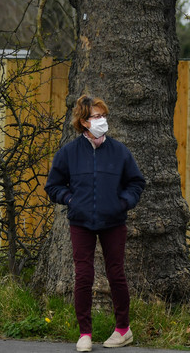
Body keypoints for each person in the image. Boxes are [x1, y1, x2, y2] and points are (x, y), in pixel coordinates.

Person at [45, 94, 145, 352]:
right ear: (83, 121)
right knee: (84, 276)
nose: (102, 120)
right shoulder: (68, 153)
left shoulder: (120, 151)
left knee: (116, 274)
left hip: (114, 222)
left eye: (104, 116)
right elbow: (53, 186)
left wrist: (122, 203)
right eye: (96, 116)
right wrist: (70, 198)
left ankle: (123, 329)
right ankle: (85, 333)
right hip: (81, 222)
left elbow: (136, 183)